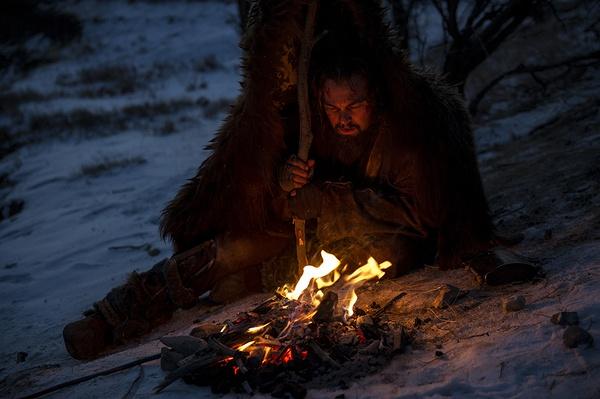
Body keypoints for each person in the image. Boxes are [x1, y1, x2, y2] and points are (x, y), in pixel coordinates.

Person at [63, 0, 539, 360]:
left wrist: (329, 201)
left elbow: (420, 215)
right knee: (226, 251)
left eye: (354, 105)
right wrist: (284, 183)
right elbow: (277, 205)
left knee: (251, 283)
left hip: (380, 249)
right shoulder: (312, 127)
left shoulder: (408, 133)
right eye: (332, 107)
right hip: (307, 245)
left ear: (375, 95)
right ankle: (119, 312)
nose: (343, 118)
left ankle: (252, 280)